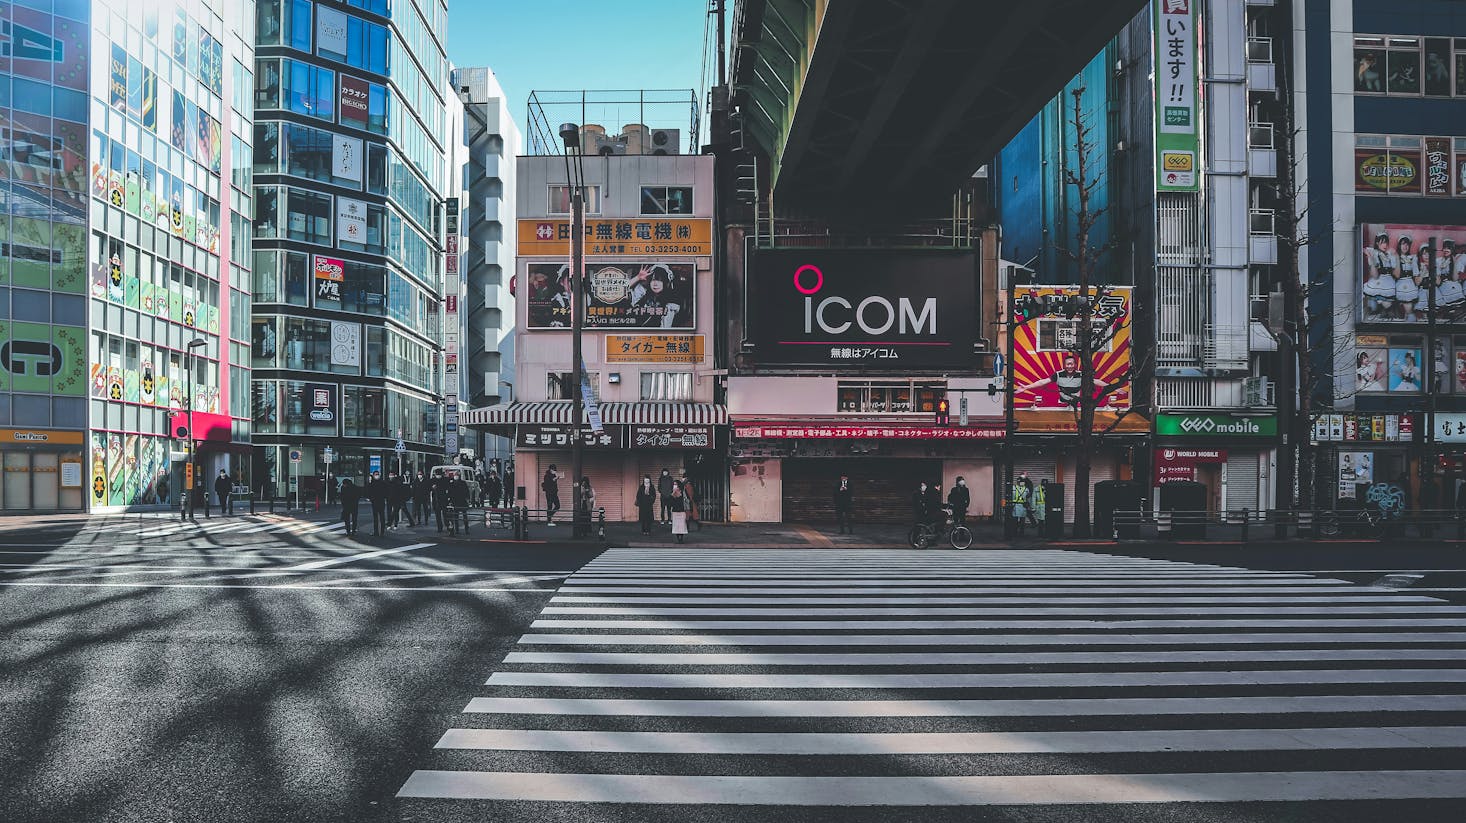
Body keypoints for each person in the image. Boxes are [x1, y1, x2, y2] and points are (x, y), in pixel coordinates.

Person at [367, 472, 388, 536]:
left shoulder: (377, 483)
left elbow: (369, 493)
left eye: (377, 474)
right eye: (376, 475)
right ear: (373, 475)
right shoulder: (381, 483)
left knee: (379, 517)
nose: (377, 476)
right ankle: (380, 532)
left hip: (378, 502)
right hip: (378, 502)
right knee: (379, 517)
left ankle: (380, 532)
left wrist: (371, 498)